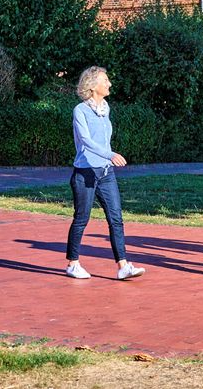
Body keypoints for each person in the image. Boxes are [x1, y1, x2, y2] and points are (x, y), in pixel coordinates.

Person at [65, 65, 145, 281]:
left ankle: (123, 266)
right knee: (82, 218)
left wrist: (107, 159)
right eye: (105, 80)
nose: (109, 83)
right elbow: (86, 141)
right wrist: (109, 154)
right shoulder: (80, 111)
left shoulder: (106, 108)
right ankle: (73, 264)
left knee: (116, 218)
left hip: (106, 173)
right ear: (92, 85)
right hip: (85, 172)